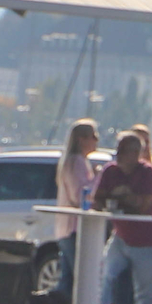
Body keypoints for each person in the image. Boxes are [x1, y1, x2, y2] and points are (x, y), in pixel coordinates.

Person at [91, 131, 152, 304]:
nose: (120, 156)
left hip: (146, 242)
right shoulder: (110, 171)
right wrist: (118, 201)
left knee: (145, 295)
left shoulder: (147, 173)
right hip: (120, 237)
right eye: (119, 150)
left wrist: (121, 199)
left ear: (136, 154)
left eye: (125, 151)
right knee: (104, 280)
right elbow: (97, 199)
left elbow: (144, 206)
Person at [51, 120, 100, 289]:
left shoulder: (73, 161)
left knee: (67, 279)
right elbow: (81, 196)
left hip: (66, 228)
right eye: (93, 136)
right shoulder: (76, 162)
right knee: (81, 276)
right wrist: (98, 178)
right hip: (73, 228)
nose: (97, 140)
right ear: (81, 139)